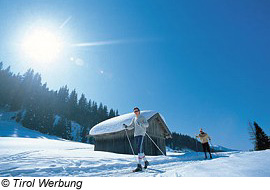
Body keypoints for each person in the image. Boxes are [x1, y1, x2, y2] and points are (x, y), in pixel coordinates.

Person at [123, 107, 150, 172]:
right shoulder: (134, 119)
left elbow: (147, 125)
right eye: (134, 111)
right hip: (136, 135)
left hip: (141, 134)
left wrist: (141, 124)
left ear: (139, 111)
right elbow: (131, 126)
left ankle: (139, 165)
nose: (136, 112)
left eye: (136, 111)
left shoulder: (142, 117)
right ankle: (146, 162)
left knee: (139, 150)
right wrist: (126, 127)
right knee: (141, 150)